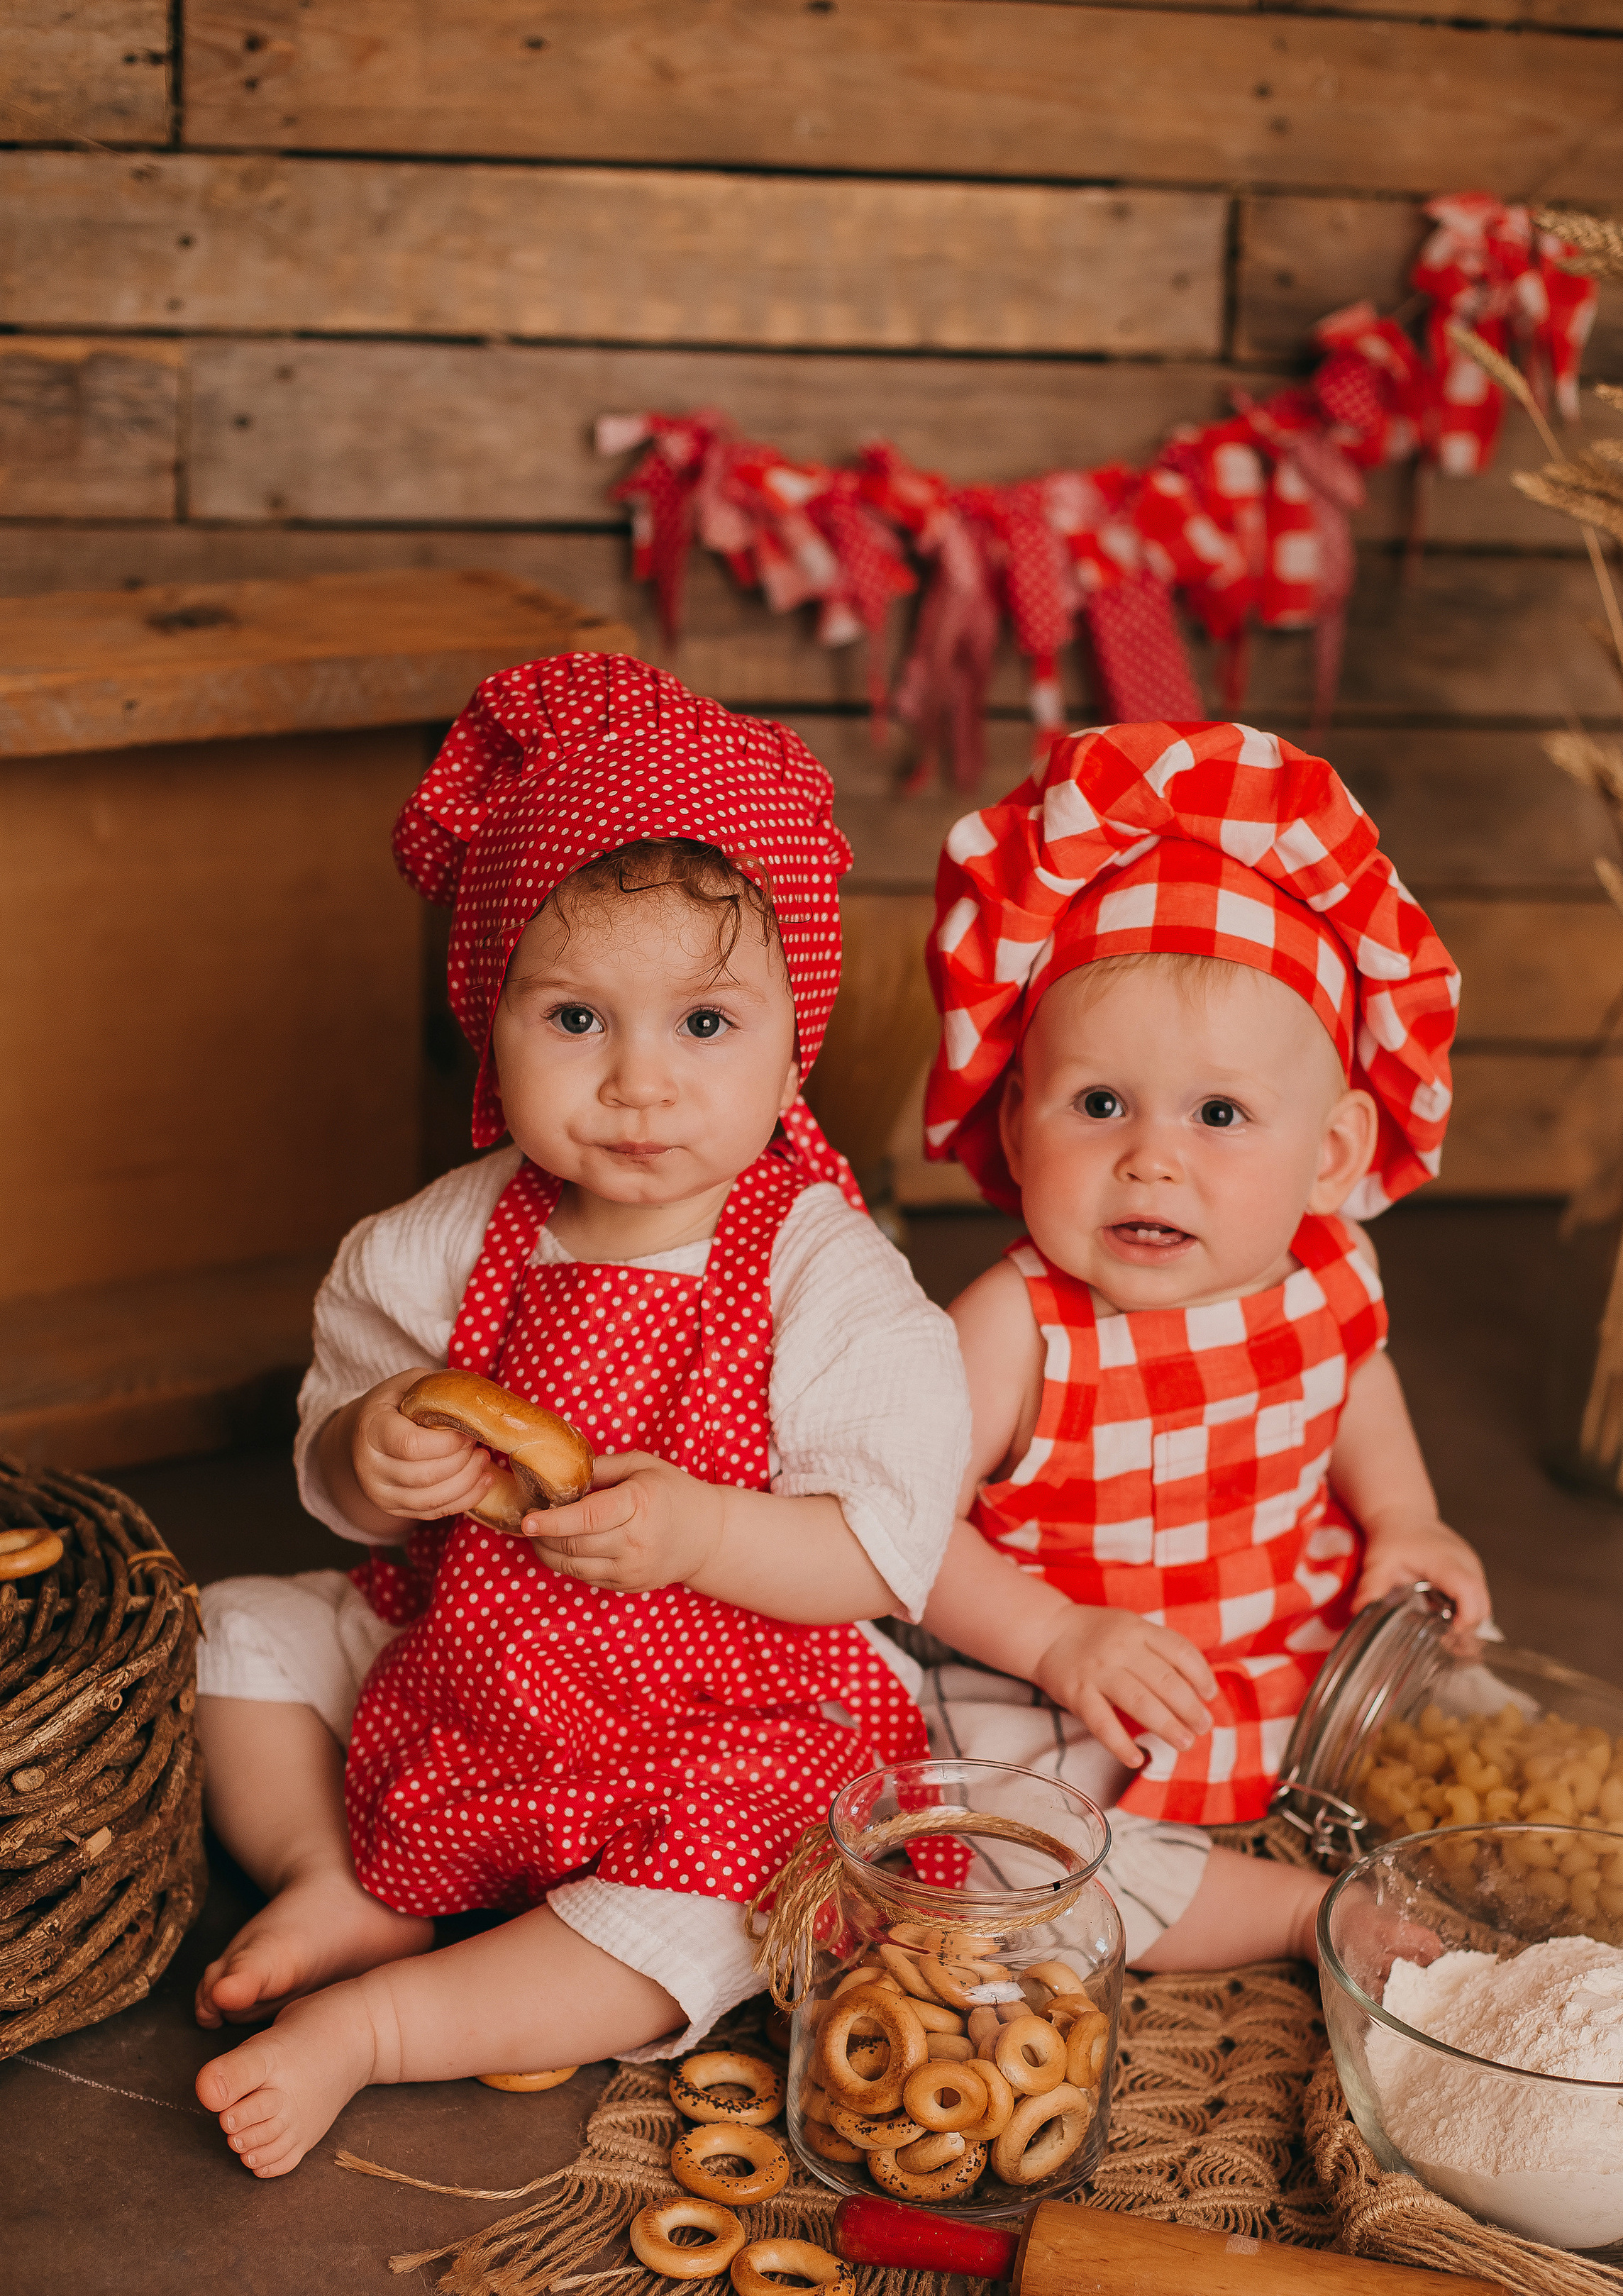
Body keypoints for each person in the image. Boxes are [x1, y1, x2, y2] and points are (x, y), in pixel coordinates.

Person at [192, 655, 969, 2176]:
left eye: (701, 1024)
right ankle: (336, 1876)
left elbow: (883, 1553)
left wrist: (702, 1529)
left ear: (792, 1033)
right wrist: (372, 1452)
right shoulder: (448, 1235)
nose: (636, 1085)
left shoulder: (821, 1270)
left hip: (711, 1711)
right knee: (238, 1630)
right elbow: (338, 1427)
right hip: (469, 1655)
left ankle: (391, 2026)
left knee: (743, 1891)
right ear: (490, 1019)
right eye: (573, 1019)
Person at [912, 719, 1489, 1973]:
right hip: (1064, 1690)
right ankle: (1287, 1912)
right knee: (1007, 1864)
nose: (1150, 1156)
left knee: (1474, 1741)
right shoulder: (1014, 1323)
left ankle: (1349, 1836)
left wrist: (1406, 1518)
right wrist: (1056, 1642)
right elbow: (902, 1530)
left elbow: (1353, 1388)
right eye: (1099, 1103)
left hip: (1286, 1648)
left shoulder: (1327, 1271)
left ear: (1330, 1154)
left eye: (1220, 1113)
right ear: (1017, 1125)